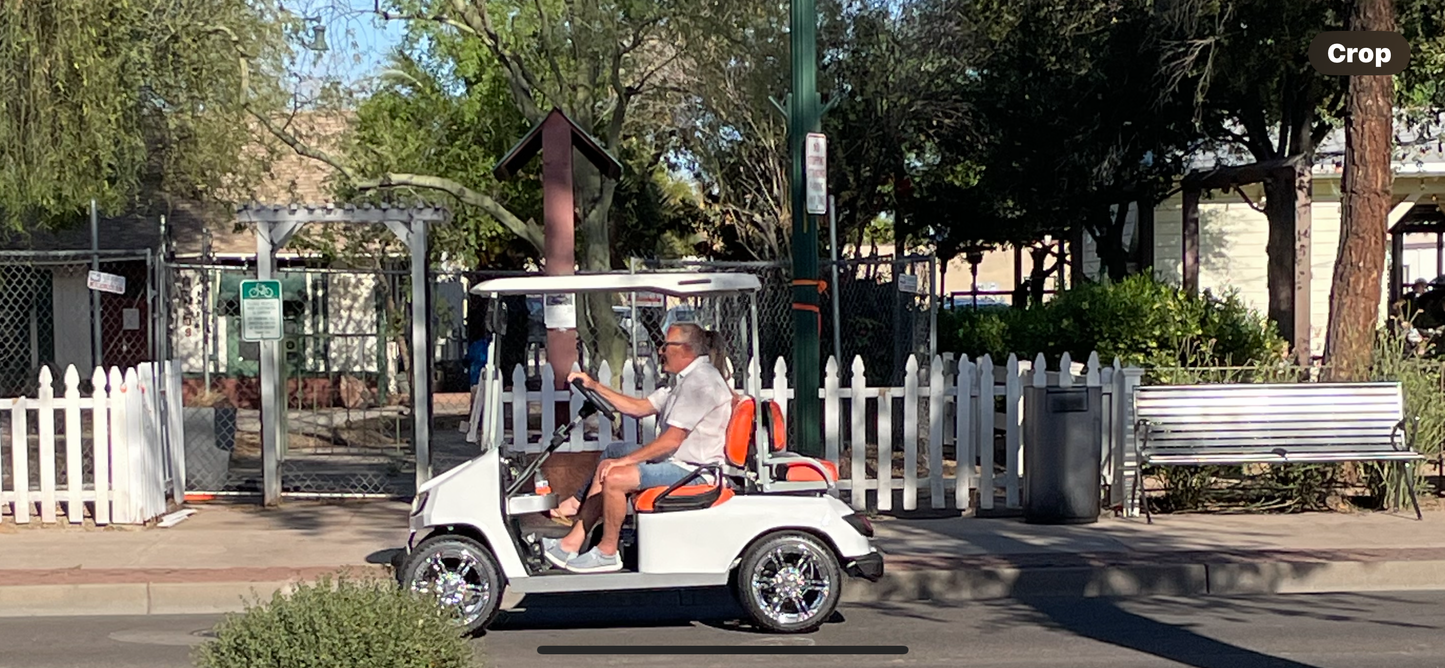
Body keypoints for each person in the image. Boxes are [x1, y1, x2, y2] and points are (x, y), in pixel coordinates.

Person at [541, 323, 734, 573]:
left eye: (666, 346)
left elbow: (671, 441)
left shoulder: (701, 384)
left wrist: (624, 463)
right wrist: (594, 386)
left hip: (695, 472)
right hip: (678, 464)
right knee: (613, 452)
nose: (661, 351)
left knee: (615, 475)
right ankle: (571, 540)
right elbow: (640, 407)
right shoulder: (686, 380)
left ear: (685, 350)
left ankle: (607, 551)